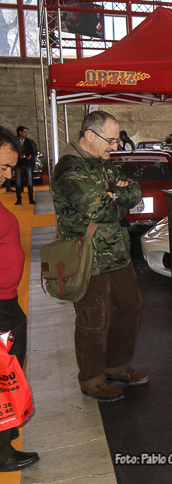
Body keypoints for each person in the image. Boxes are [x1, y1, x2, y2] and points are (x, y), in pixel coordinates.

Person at [51, 111, 149, 401]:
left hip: (116, 253)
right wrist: (116, 196)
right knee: (94, 319)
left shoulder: (103, 163)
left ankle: (117, 366)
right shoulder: (69, 169)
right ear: (90, 136)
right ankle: (92, 378)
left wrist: (113, 194)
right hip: (88, 257)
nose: (115, 147)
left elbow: (135, 191)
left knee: (130, 306)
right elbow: (97, 208)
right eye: (111, 140)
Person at [0, 125, 39, 471]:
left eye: (10, 168)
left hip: (7, 303)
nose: (8, 175)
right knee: (3, 379)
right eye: (2, 167)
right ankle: (2, 450)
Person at [14, 127, 36, 206]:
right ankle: (19, 199)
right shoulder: (15, 142)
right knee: (18, 183)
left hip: (27, 164)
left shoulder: (28, 141)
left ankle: (31, 199)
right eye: (25, 132)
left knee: (29, 183)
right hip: (18, 164)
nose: (26, 133)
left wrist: (30, 156)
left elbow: (32, 152)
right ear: (20, 132)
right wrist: (17, 155)